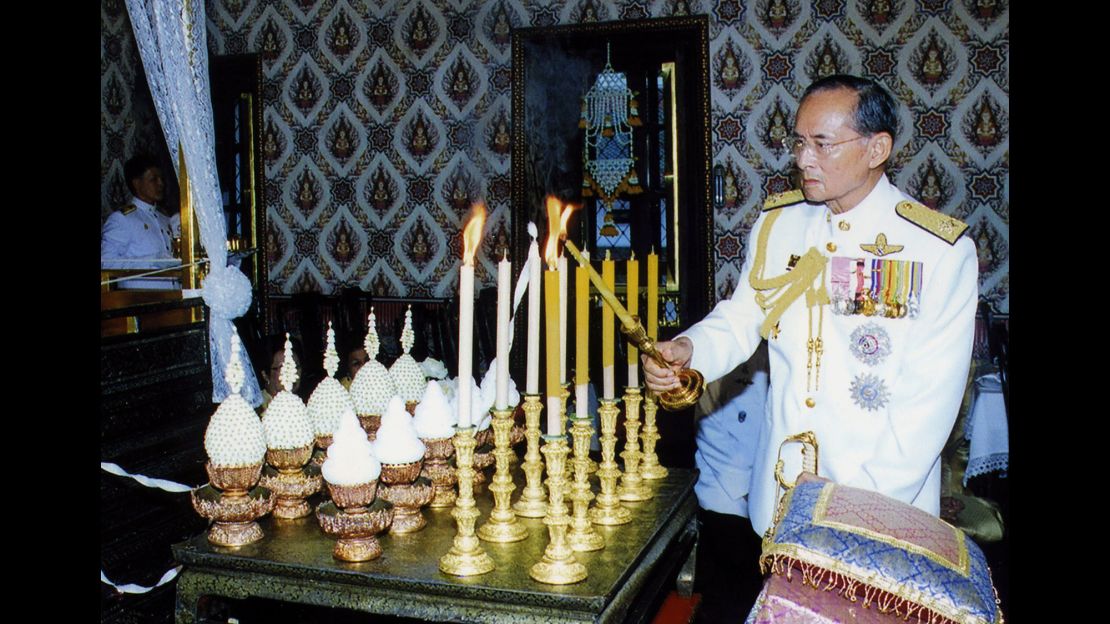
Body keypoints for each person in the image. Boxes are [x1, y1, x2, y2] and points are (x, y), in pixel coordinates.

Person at [643, 75, 977, 540]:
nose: (803, 159)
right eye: (799, 142)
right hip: (780, 500)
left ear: (877, 149)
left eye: (823, 144)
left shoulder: (937, 250)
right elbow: (744, 316)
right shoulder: (779, 224)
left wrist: (858, 506)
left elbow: (927, 405)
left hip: (881, 511)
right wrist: (689, 349)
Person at [692, 342, 769, 623]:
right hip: (725, 498)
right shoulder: (720, 355)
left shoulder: (773, 353)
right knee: (727, 601)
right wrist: (745, 489)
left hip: (764, 499)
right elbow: (708, 429)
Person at [101, 154, 177, 260]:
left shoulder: (164, 218)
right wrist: (153, 263)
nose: (160, 183)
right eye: (153, 179)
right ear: (137, 184)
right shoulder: (122, 220)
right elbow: (106, 262)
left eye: (161, 178)